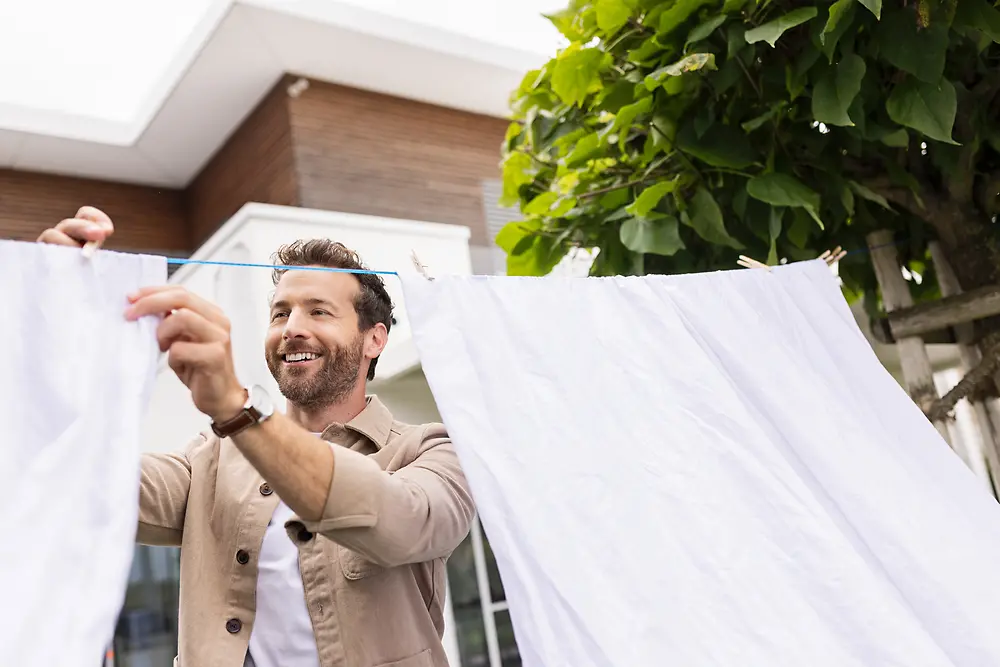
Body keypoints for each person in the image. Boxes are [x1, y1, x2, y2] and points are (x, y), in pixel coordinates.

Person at [38, 207, 475, 667]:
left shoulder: (431, 451)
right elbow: (85, 479)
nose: (292, 328)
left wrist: (237, 409)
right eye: (280, 313)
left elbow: (403, 523)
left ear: (375, 340)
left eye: (319, 311)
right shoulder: (211, 458)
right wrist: (45, 339)